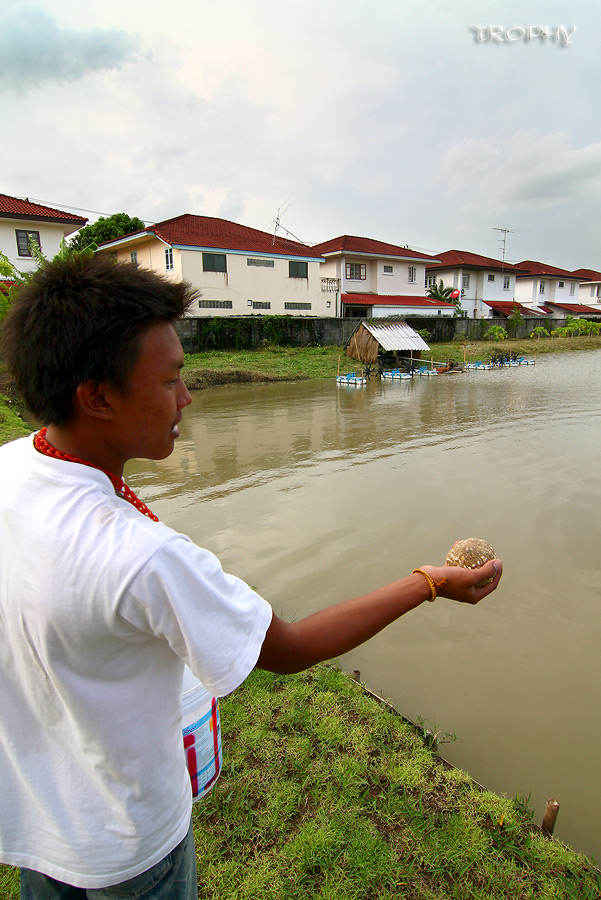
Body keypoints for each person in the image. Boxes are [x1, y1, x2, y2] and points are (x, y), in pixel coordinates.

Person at [0, 253, 502, 899]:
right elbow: (286, 651)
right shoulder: (140, 553)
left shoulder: (13, 466)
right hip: (128, 843)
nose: (186, 398)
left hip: (37, 823)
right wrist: (428, 582)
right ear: (97, 396)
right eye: (170, 381)